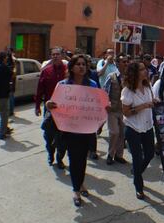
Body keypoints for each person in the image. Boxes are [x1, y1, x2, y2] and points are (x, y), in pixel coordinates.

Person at [45, 54, 101, 207]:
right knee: (73, 159)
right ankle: (76, 190)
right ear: (72, 67)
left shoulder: (92, 85)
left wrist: (104, 109)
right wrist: (48, 105)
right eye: (78, 64)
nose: (82, 67)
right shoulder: (63, 85)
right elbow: (53, 104)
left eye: (84, 64)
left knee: (82, 160)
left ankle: (80, 183)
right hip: (68, 131)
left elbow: (98, 105)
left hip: (86, 130)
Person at [121, 61, 156, 200]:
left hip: (147, 126)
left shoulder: (148, 87)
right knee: (137, 158)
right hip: (133, 128)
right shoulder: (128, 91)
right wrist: (144, 106)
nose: (145, 71)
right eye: (141, 69)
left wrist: (155, 101)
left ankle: (136, 172)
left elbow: (151, 101)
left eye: (145, 68)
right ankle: (139, 187)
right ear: (134, 73)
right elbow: (126, 112)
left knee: (150, 154)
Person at [35, 47, 67, 168]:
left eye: (57, 54)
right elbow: (39, 90)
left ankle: (60, 158)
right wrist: (37, 106)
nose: (55, 56)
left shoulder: (68, 71)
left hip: (65, 110)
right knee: (48, 135)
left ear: (61, 56)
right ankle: (51, 154)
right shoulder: (46, 71)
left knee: (62, 137)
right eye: (53, 54)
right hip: (49, 109)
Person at [103, 53, 129, 165]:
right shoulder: (111, 76)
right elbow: (105, 92)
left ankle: (119, 155)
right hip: (112, 109)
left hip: (124, 110)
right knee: (114, 132)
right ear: (118, 63)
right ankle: (110, 154)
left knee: (122, 134)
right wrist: (107, 103)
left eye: (127, 62)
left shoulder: (129, 77)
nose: (126, 64)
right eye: (124, 62)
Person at [0, 51, 13, 140]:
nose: (7, 58)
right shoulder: (6, 69)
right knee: (4, 115)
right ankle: (2, 133)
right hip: (4, 95)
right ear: (4, 59)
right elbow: (11, 74)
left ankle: (6, 129)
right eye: (6, 57)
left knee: (3, 114)